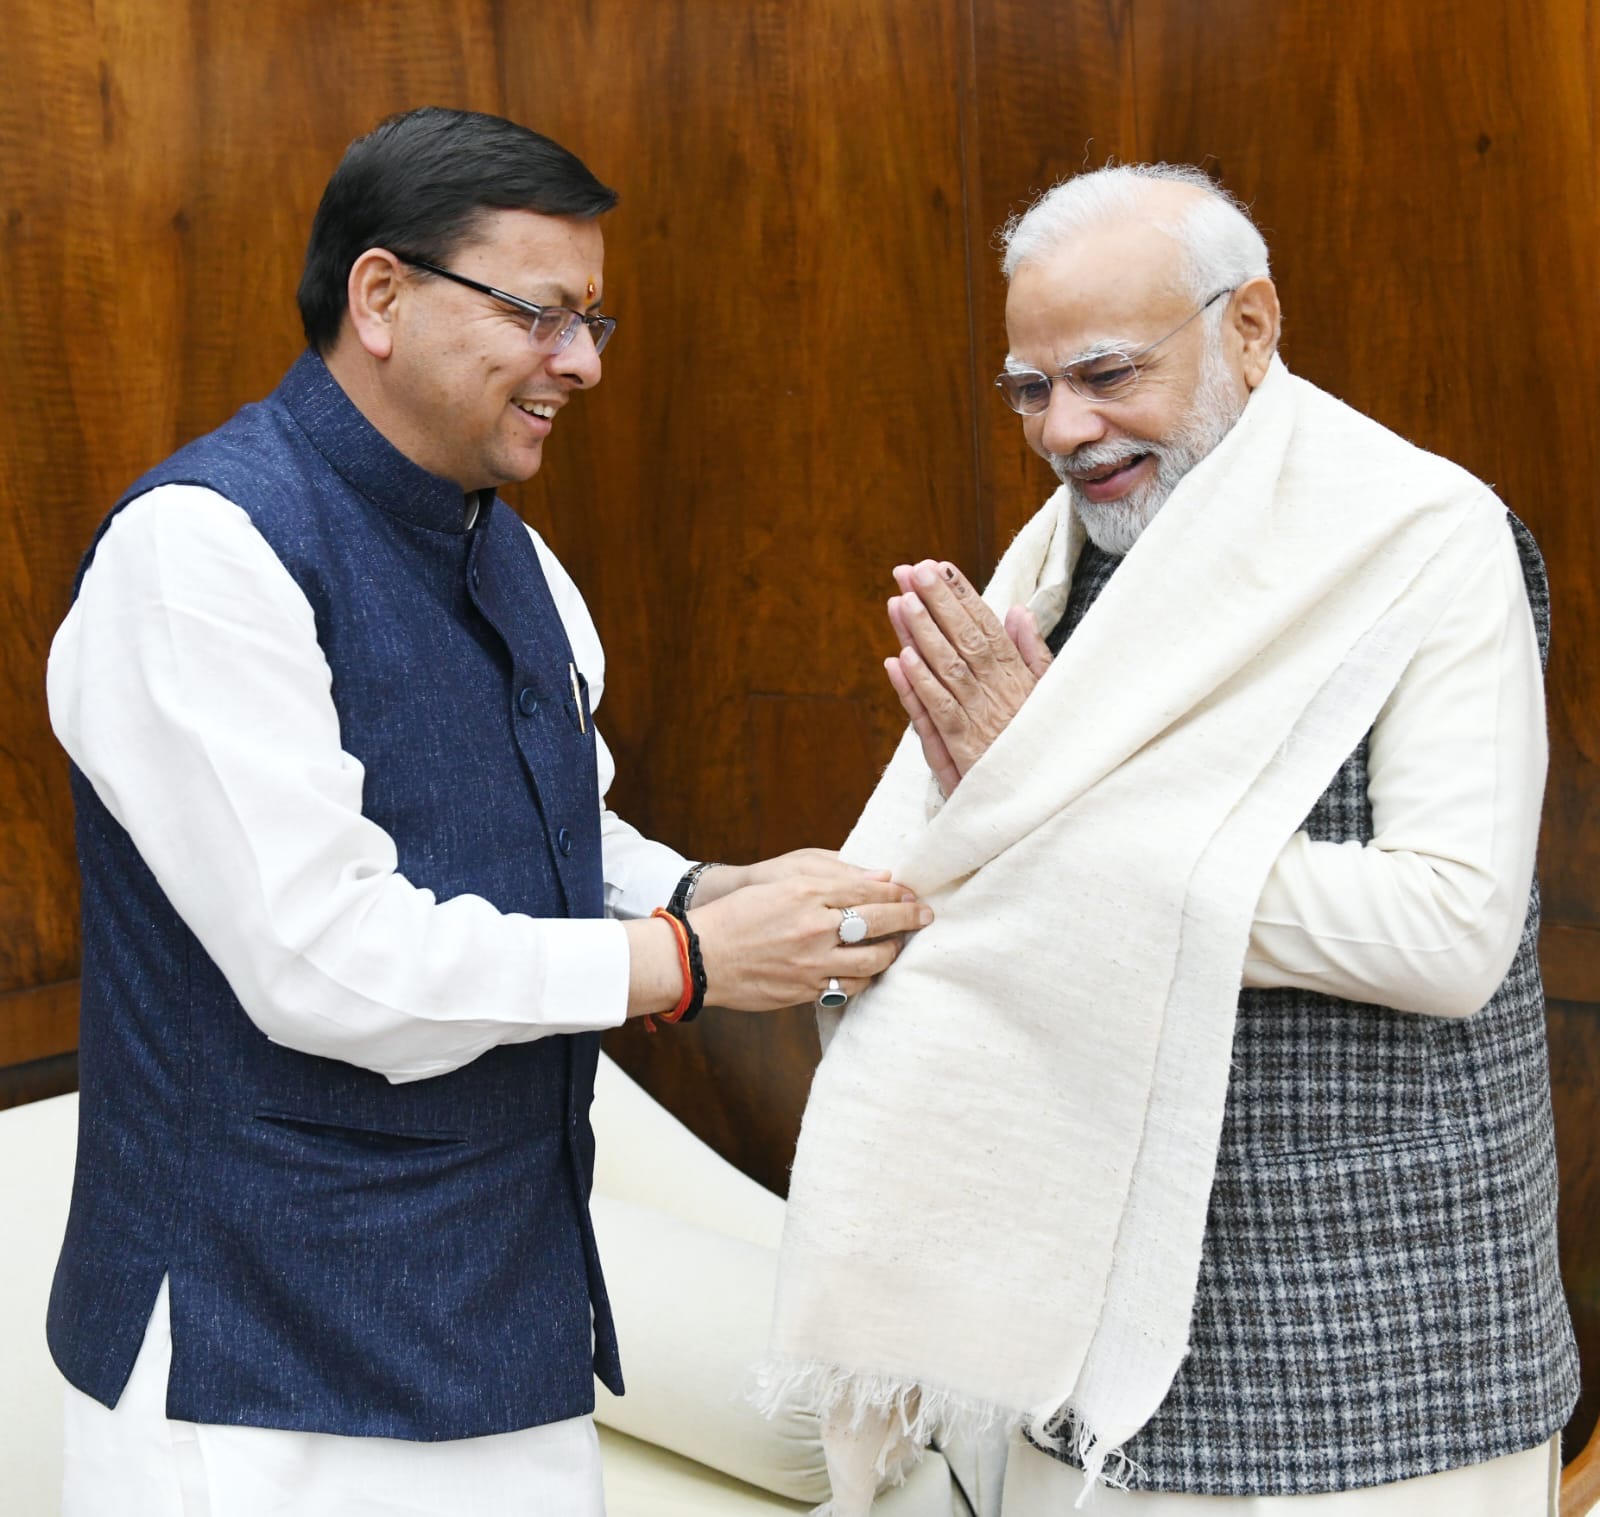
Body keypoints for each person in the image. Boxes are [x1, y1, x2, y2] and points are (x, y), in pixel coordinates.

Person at [45, 106, 928, 1517]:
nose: (582, 362)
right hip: (250, 1352)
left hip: (503, 1316)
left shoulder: (516, 553)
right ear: (380, 296)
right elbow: (322, 958)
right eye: (539, 313)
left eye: (593, 320)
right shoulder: (198, 551)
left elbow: (565, 834)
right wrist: (686, 962)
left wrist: (706, 892)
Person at [765, 165, 1577, 1516]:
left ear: (1249, 326)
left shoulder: (1424, 538)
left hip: (1367, 1345)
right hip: (1067, 1334)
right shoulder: (1065, 556)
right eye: (1030, 388)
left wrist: (1057, 814)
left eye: (1106, 374)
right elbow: (966, 876)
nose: (1064, 430)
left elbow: (1448, 932)